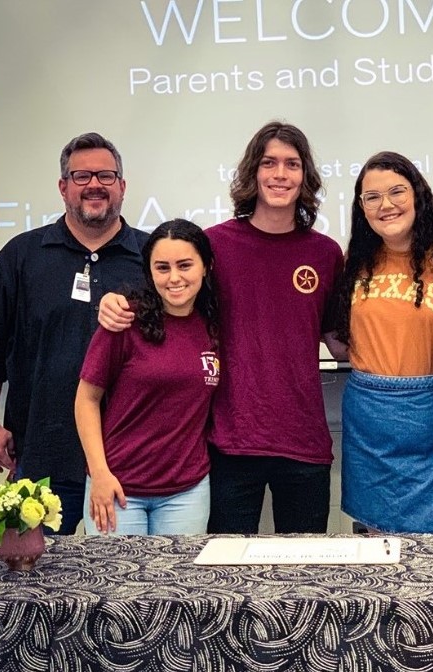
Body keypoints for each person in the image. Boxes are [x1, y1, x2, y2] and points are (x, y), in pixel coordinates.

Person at [99, 122, 344, 534]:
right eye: (269, 163)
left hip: (305, 443)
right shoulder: (215, 246)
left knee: (305, 575)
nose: (280, 174)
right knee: (225, 580)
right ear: (253, 172)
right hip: (230, 441)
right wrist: (111, 300)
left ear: (306, 177)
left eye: (292, 164)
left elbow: (339, 341)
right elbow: (166, 295)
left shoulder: (324, 253)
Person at [0, 132, 147, 534]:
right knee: (28, 578)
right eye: (81, 176)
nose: (95, 184)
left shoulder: (152, 259)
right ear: (63, 188)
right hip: (40, 454)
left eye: (106, 176)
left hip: (128, 460)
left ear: (122, 187)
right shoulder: (20, 257)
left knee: (123, 587)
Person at [332, 151, 433, 533]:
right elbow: (338, 331)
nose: (386, 205)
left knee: (431, 555)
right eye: (372, 197)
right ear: (361, 207)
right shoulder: (357, 260)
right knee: (372, 547)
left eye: (396, 191)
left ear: (418, 194)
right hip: (368, 423)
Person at [75, 219, 219, 535]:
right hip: (118, 487)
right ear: (150, 272)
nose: (174, 278)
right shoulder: (125, 321)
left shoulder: (214, 325)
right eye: (162, 268)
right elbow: (86, 399)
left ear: (205, 267)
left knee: (179, 584)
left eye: (185, 265)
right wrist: (99, 474)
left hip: (187, 491)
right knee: (116, 582)